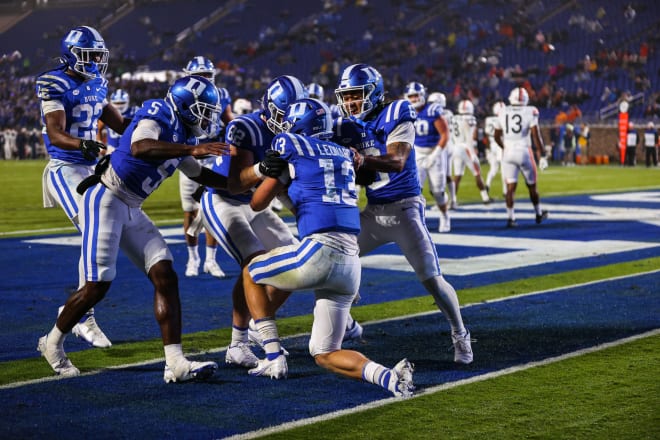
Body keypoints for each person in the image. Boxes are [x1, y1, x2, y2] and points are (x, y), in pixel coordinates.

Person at [37, 75, 238, 382]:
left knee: (165, 274)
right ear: (184, 105)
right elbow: (140, 146)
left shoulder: (182, 133)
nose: (207, 116)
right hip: (105, 198)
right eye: (202, 109)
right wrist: (188, 149)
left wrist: (245, 183)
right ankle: (52, 344)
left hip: (131, 205)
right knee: (96, 286)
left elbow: (200, 174)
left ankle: (176, 362)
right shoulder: (160, 111)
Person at [243, 98, 414, 397]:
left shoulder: (290, 143)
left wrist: (271, 176)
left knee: (251, 271)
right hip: (351, 262)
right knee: (324, 351)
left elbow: (257, 204)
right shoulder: (346, 153)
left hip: (318, 251)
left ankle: (273, 356)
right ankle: (388, 377)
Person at [333, 63, 473, 364]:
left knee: (432, 279)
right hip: (372, 213)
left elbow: (396, 160)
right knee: (330, 259)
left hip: (405, 210)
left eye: (355, 95)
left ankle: (460, 334)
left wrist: (359, 161)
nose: (350, 102)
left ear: (373, 92)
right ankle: (347, 325)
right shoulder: (349, 126)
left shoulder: (396, 112)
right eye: (346, 96)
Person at [200, 75, 307, 369]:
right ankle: (238, 343)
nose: (289, 122)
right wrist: (261, 168)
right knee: (255, 264)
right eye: (284, 115)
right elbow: (234, 183)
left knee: (295, 264)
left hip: (255, 205)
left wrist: (300, 211)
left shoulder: (295, 132)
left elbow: (283, 184)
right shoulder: (244, 126)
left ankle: (256, 324)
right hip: (224, 200)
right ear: (270, 107)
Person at [36, 25, 130, 349]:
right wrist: (82, 144)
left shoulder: (99, 83)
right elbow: (55, 132)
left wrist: (148, 130)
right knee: (95, 224)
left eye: (97, 56)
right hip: (65, 166)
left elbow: (120, 124)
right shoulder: (54, 82)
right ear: (71, 55)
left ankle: (76, 312)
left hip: (93, 165)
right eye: (88, 56)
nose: (93, 62)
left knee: (108, 232)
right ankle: (82, 316)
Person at [179, 56, 232, 278]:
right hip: (192, 157)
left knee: (210, 212)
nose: (202, 80)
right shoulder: (182, 95)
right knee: (190, 212)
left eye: (206, 76)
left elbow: (230, 122)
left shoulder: (221, 95)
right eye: (198, 76)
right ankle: (193, 259)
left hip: (213, 158)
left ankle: (210, 259)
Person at [493, 87, 548, 228]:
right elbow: (536, 135)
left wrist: (505, 147)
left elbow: (496, 136)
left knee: (510, 187)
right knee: (532, 186)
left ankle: (511, 218)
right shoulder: (530, 111)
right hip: (524, 150)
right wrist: (542, 154)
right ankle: (538, 213)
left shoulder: (502, 110)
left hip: (508, 152)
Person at [404, 82, 451, 232]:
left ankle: (444, 215)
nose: (414, 98)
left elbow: (445, 134)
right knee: (414, 189)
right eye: (411, 96)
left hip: (435, 152)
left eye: (416, 95)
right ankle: (416, 220)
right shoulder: (407, 112)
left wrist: (436, 154)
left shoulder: (432, 110)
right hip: (418, 153)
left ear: (423, 95)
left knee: (437, 190)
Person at [449, 99, 493, 206]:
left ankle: (453, 200)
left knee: (457, 175)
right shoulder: (471, 118)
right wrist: (473, 152)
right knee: (477, 173)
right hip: (466, 148)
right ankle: (485, 198)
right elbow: (472, 136)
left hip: (456, 147)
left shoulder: (453, 118)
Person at [484, 101, 506, 198]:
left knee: (493, 169)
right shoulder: (503, 118)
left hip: (491, 144)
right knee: (504, 168)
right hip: (500, 144)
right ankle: (505, 191)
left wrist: (487, 149)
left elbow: (486, 134)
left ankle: (487, 186)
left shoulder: (488, 119)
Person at [103, 89, 137, 154]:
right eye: (117, 103)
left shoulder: (135, 111)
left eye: (122, 103)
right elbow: (99, 126)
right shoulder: (107, 112)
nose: (119, 105)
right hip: (112, 149)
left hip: (130, 149)